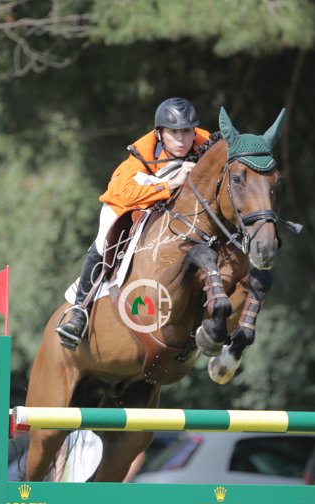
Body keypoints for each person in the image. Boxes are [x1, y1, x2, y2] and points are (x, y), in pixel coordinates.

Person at [56, 97, 211, 346]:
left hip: (173, 211)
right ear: (160, 134)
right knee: (103, 240)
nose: (182, 139)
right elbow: (123, 194)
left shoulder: (206, 142)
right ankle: (79, 311)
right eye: (174, 133)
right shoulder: (141, 155)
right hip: (128, 204)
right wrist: (172, 183)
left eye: (187, 131)